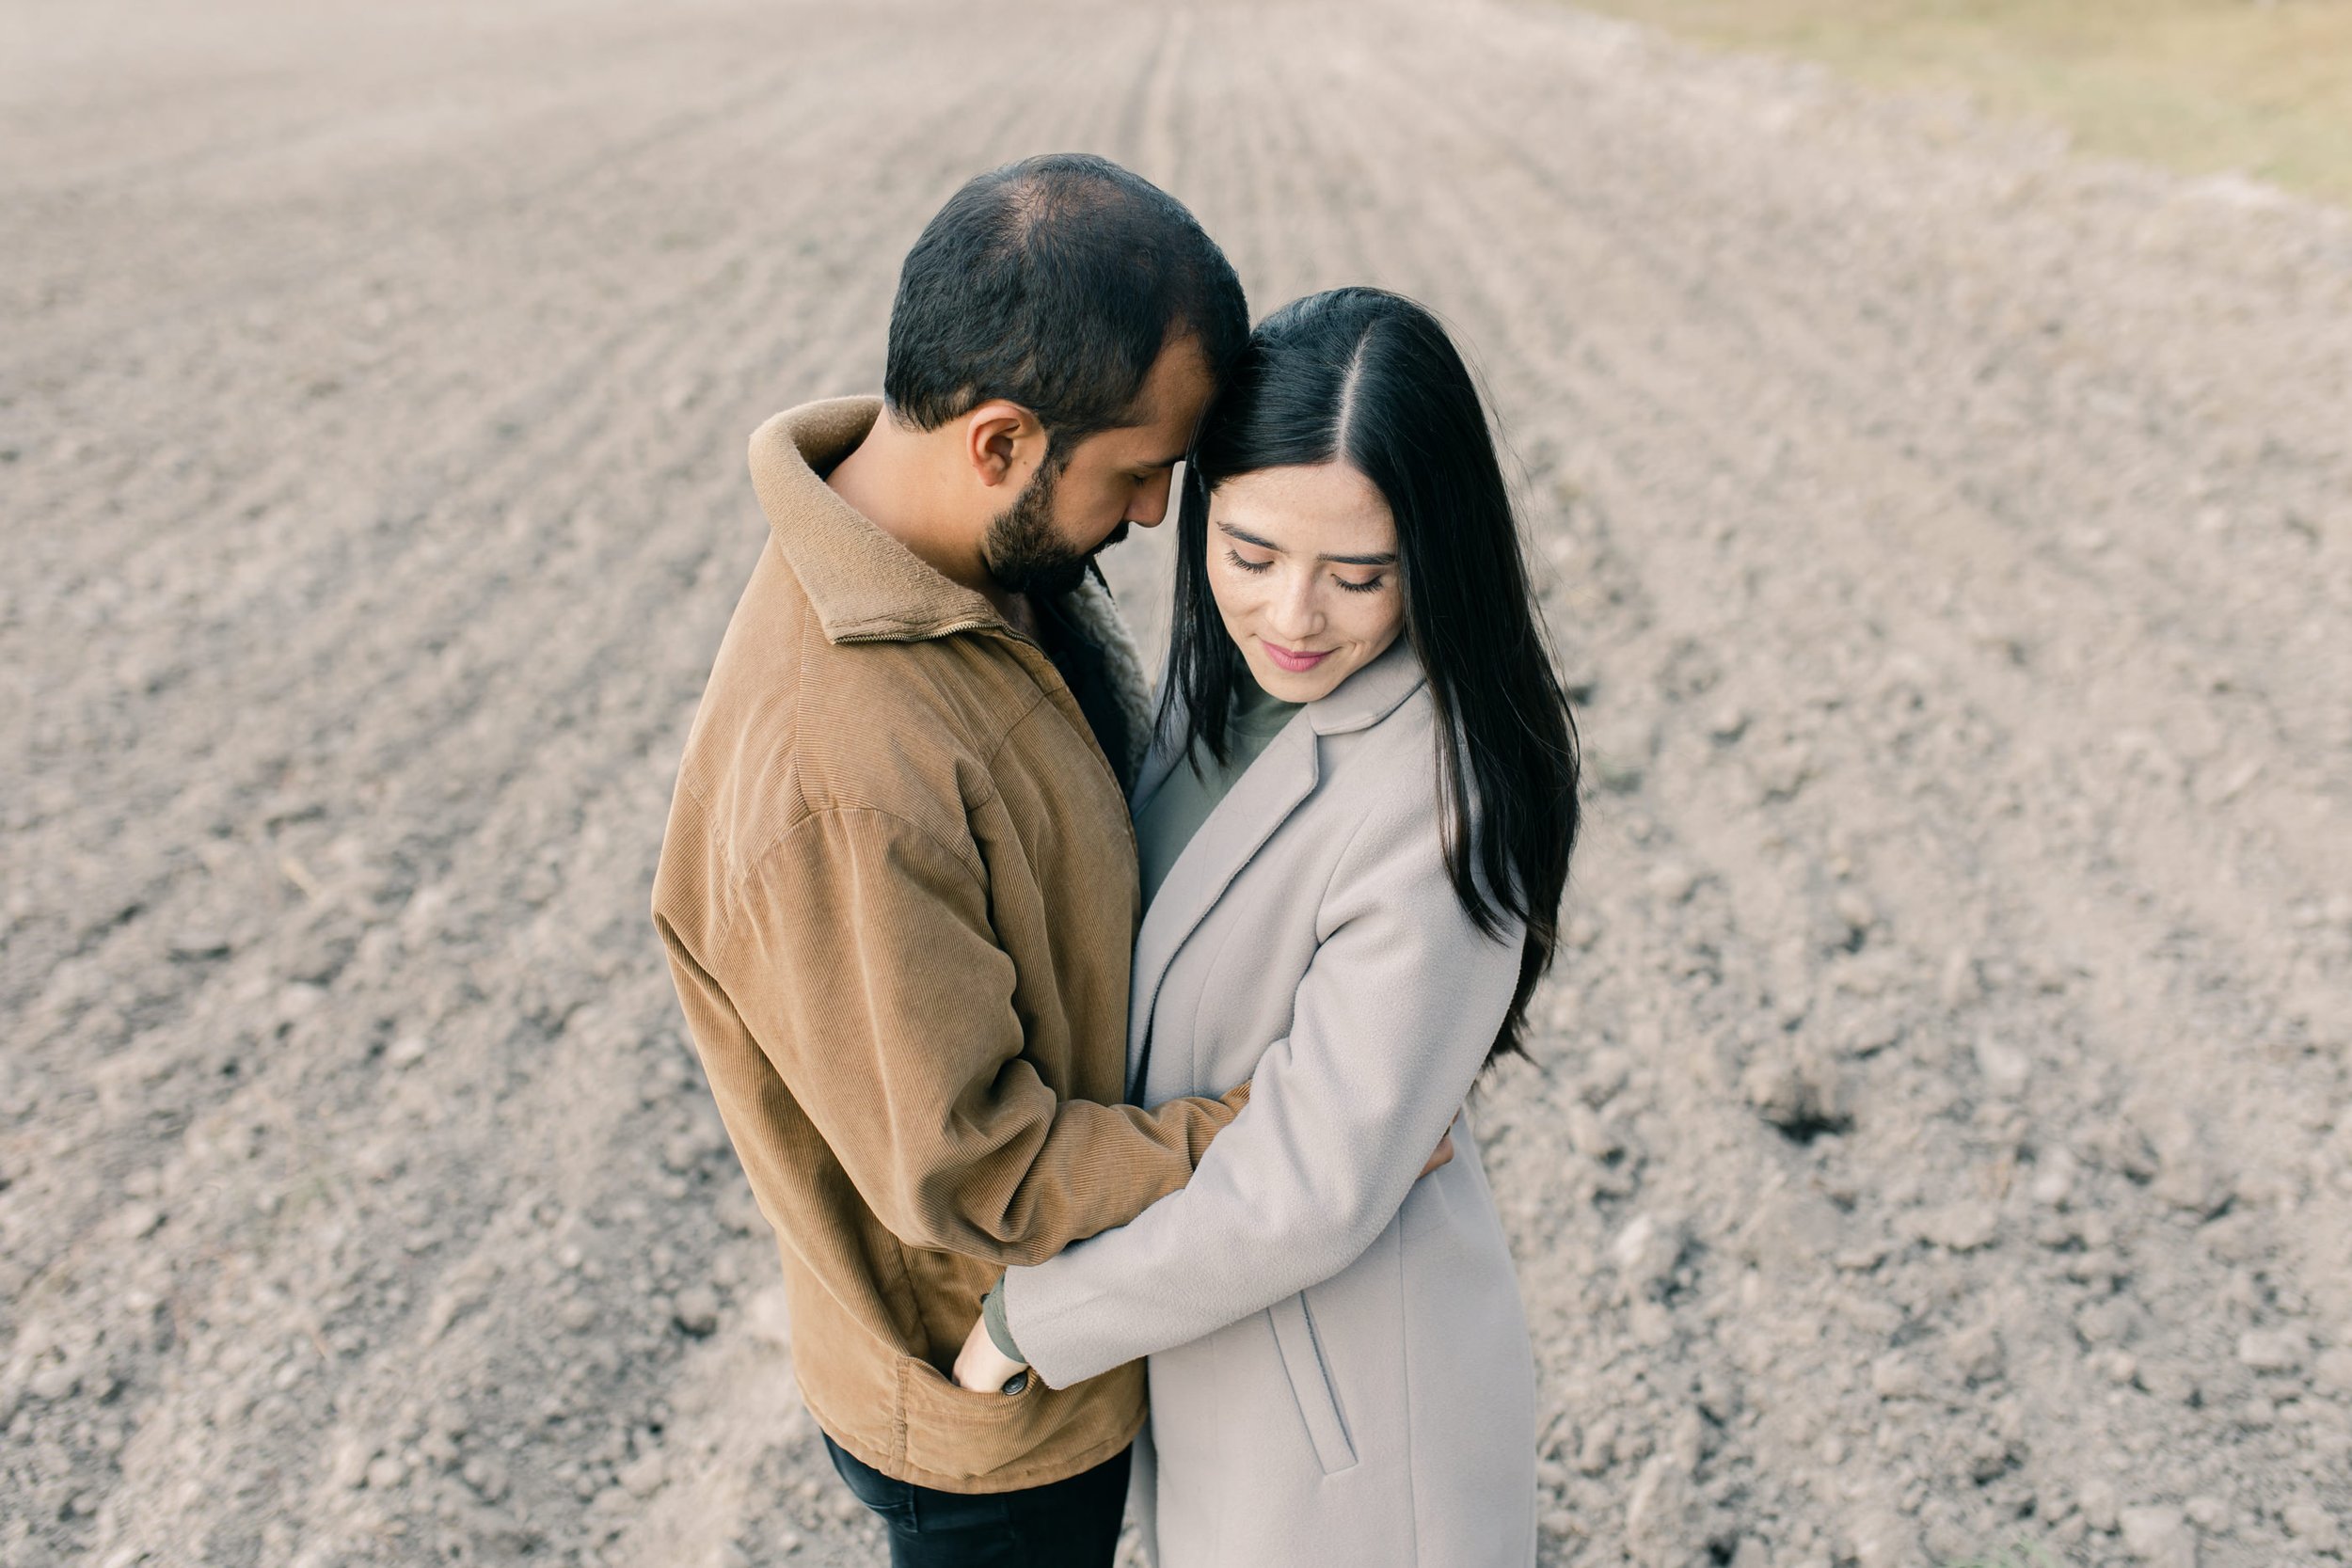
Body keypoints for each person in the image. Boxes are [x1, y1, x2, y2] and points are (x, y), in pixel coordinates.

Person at [649, 153, 1262, 1567]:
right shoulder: (844, 778)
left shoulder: (960, 558)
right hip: (996, 1422)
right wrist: (1280, 1136)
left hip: (1082, 1337)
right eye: (1139, 475)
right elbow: (984, 1172)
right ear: (998, 441)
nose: (1162, 517)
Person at [954, 288, 1584, 1567]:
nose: (1295, 618)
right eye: (1250, 556)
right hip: (1222, 1369)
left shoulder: (1437, 794)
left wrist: (1033, 1320)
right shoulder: (1208, 703)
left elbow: (1313, 1185)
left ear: (1437, 555)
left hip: (1351, 1416)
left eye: (1360, 575)